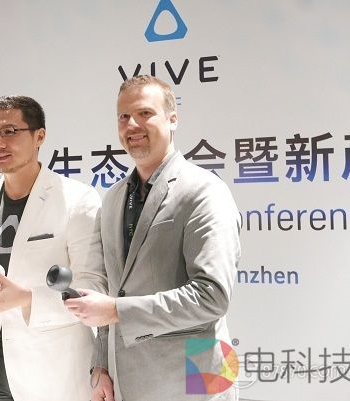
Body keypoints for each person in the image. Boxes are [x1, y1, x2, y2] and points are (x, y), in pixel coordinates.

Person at [65, 75, 241, 401]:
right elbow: (112, 290)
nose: (132, 124)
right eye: (123, 116)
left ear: (173, 119)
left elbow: (212, 296)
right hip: (129, 379)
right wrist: (100, 365)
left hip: (198, 378)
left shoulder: (205, 191)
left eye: (144, 113)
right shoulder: (113, 198)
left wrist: (118, 310)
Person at [0, 95, 107, 401]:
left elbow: (92, 289)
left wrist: (28, 299)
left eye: (10, 131)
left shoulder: (77, 199)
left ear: (39, 136)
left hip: (54, 374)